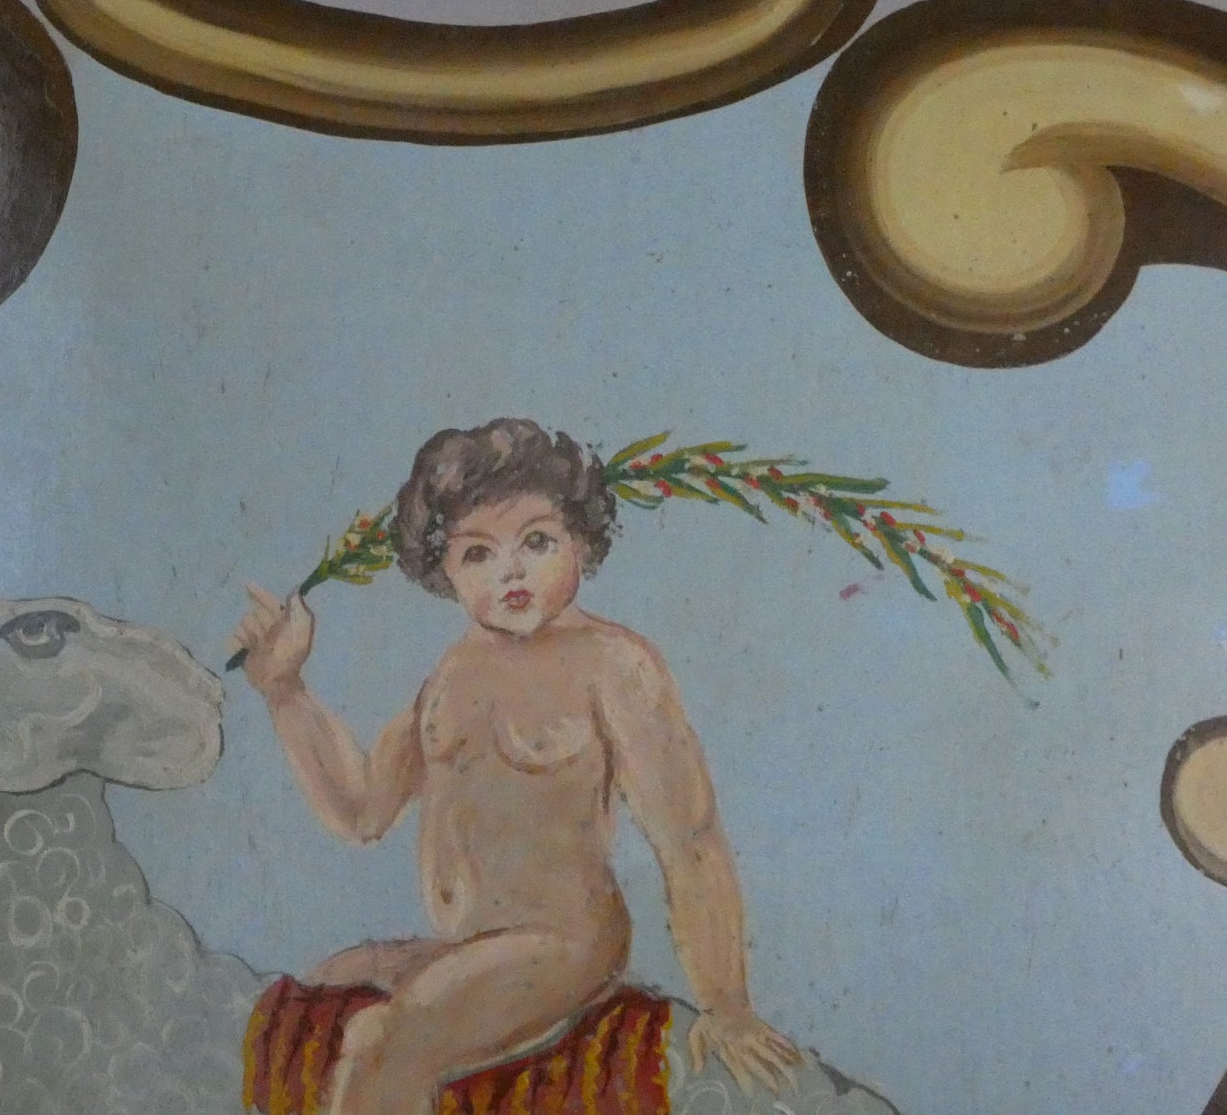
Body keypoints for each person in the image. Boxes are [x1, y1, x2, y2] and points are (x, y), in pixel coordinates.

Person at [230, 418, 800, 1115]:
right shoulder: (451, 673)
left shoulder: (614, 665)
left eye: (536, 542)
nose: (511, 571)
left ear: (580, 542)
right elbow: (361, 811)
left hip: (563, 945)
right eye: (478, 553)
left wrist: (726, 1003)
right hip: (474, 945)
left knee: (383, 1043)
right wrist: (285, 690)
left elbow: (690, 838)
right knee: (328, 982)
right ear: (442, 570)